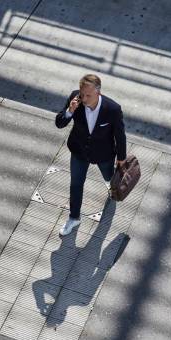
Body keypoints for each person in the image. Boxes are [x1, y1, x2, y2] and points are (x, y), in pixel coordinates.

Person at [55, 74, 127, 236]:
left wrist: (121, 159)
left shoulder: (112, 109)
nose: (84, 99)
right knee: (76, 184)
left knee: (109, 178)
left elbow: (120, 135)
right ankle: (74, 218)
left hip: (104, 153)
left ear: (98, 93)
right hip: (79, 151)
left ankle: (112, 191)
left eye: (88, 95)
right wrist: (69, 111)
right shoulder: (75, 99)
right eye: (83, 94)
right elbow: (59, 123)